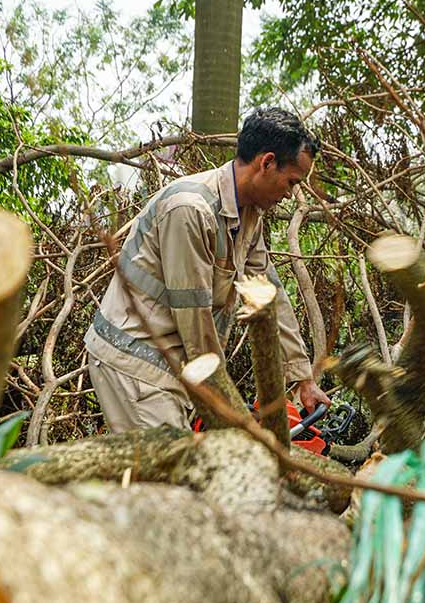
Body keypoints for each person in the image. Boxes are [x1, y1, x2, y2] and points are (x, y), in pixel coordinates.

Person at [85, 107, 332, 433]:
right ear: (267, 162)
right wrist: (230, 411)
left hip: (175, 368)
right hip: (136, 362)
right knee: (174, 476)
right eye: (291, 182)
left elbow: (269, 296)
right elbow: (195, 321)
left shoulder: (249, 217)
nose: (290, 194)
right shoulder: (191, 209)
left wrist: (302, 377)